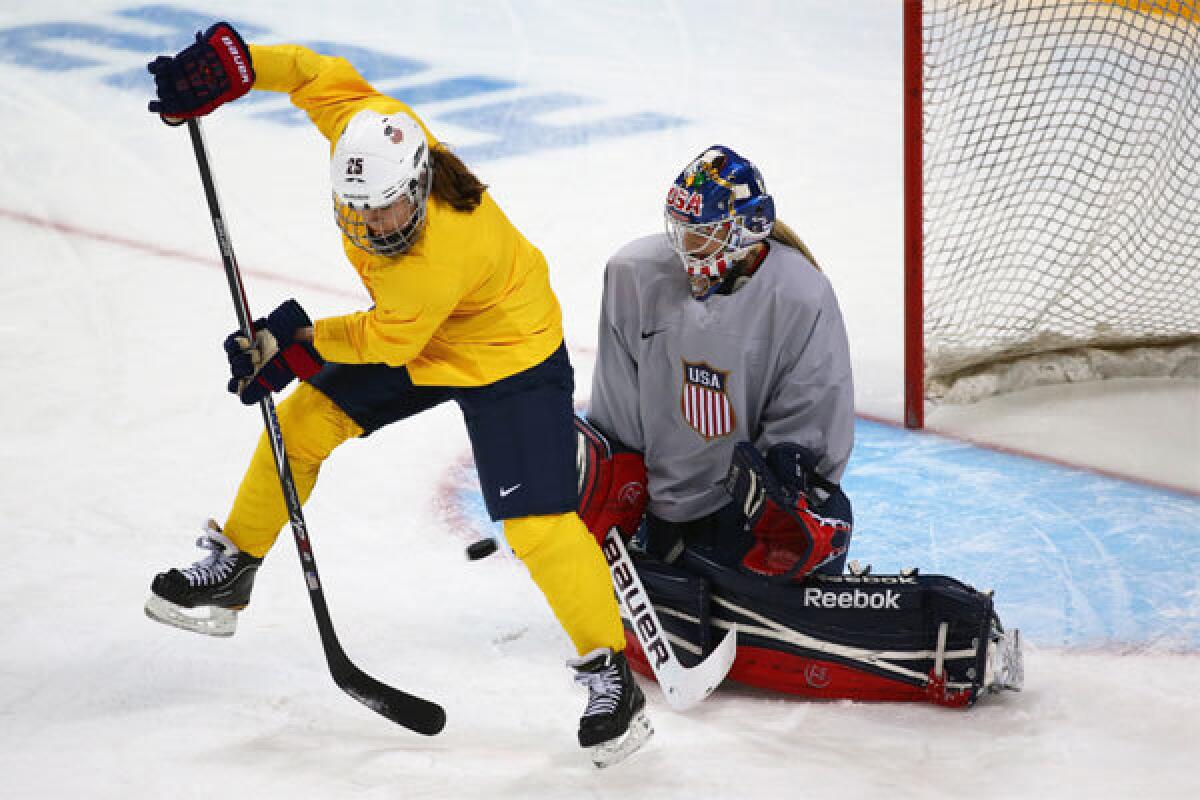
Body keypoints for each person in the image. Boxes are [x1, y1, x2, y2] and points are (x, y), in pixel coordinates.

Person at [140, 22, 650, 764]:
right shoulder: (377, 137)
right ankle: (232, 570)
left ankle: (611, 673)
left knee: (537, 525)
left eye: (387, 208)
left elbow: (389, 341)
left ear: (416, 186)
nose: (374, 223)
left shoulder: (435, 252)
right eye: (361, 208)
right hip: (424, 336)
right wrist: (241, 68)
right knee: (306, 420)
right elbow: (316, 77)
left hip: (508, 355)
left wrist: (292, 340)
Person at [574, 146, 1023, 707]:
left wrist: (774, 509)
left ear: (748, 232)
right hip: (660, 518)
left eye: (703, 235)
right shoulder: (633, 275)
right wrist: (611, 510)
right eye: (682, 231)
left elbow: (811, 445)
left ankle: (946, 640)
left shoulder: (800, 294)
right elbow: (615, 419)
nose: (686, 249)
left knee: (761, 605)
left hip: (743, 520)